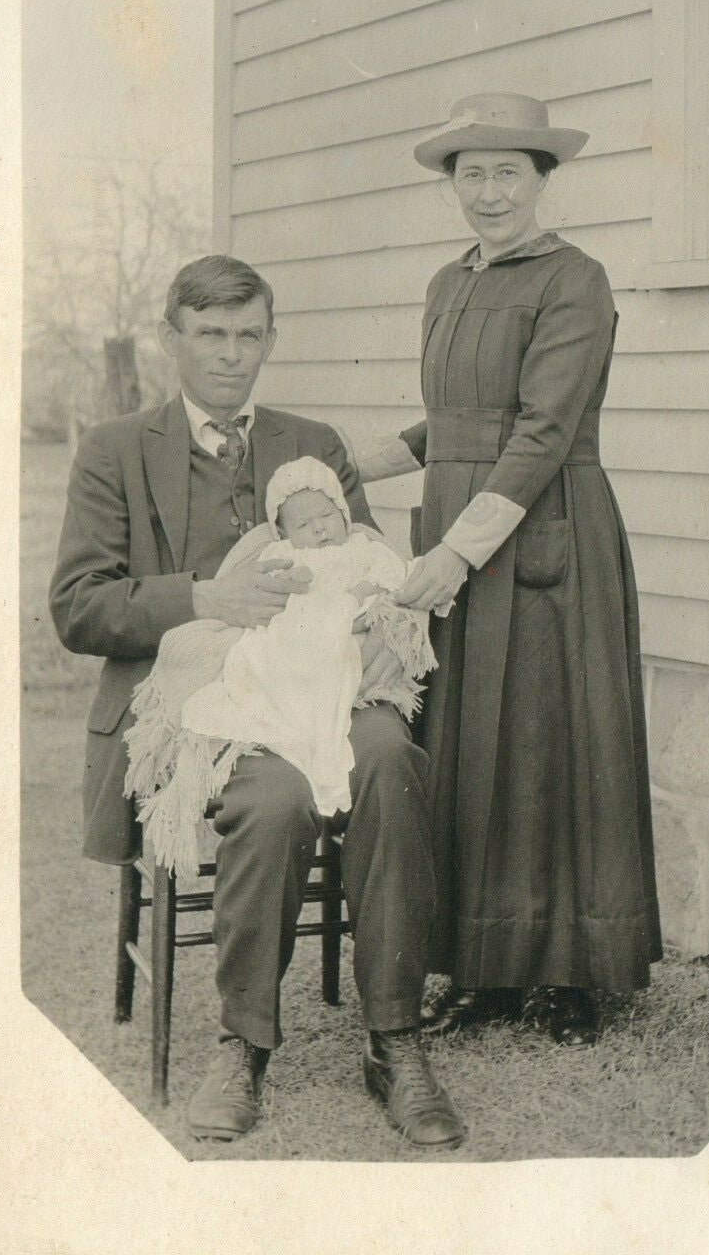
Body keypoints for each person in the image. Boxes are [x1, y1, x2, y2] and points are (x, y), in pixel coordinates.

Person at [49, 255, 464, 1148]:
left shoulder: (311, 442)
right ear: (173, 340)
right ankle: (243, 1044)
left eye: (248, 336)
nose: (230, 356)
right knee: (272, 800)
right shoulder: (116, 449)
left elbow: (365, 567)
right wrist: (202, 598)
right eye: (210, 336)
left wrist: (367, 623)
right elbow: (78, 606)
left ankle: (394, 1037)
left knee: (390, 759)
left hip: (325, 680)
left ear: (269, 338)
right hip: (196, 703)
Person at [353, 93, 662, 1047]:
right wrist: (343, 462)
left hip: (545, 537)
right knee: (469, 750)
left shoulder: (575, 278)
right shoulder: (449, 283)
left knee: (547, 745)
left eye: (507, 174)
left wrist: (454, 551)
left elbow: (539, 434)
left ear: (541, 181)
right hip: (458, 533)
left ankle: (572, 977)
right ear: (452, 185)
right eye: (470, 174)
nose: (488, 193)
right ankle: (483, 971)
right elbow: (450, 423)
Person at [123, 455, 438, 879]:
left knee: (390, 759)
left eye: (328, 516)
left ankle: (393, 945)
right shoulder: (276, 553)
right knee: (273, 800)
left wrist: (383, 608)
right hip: (285, 664)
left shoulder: (362, 548)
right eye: (306, 525)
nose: (321, 528)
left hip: (351, 671)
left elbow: (399, 582)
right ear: (284, 531)